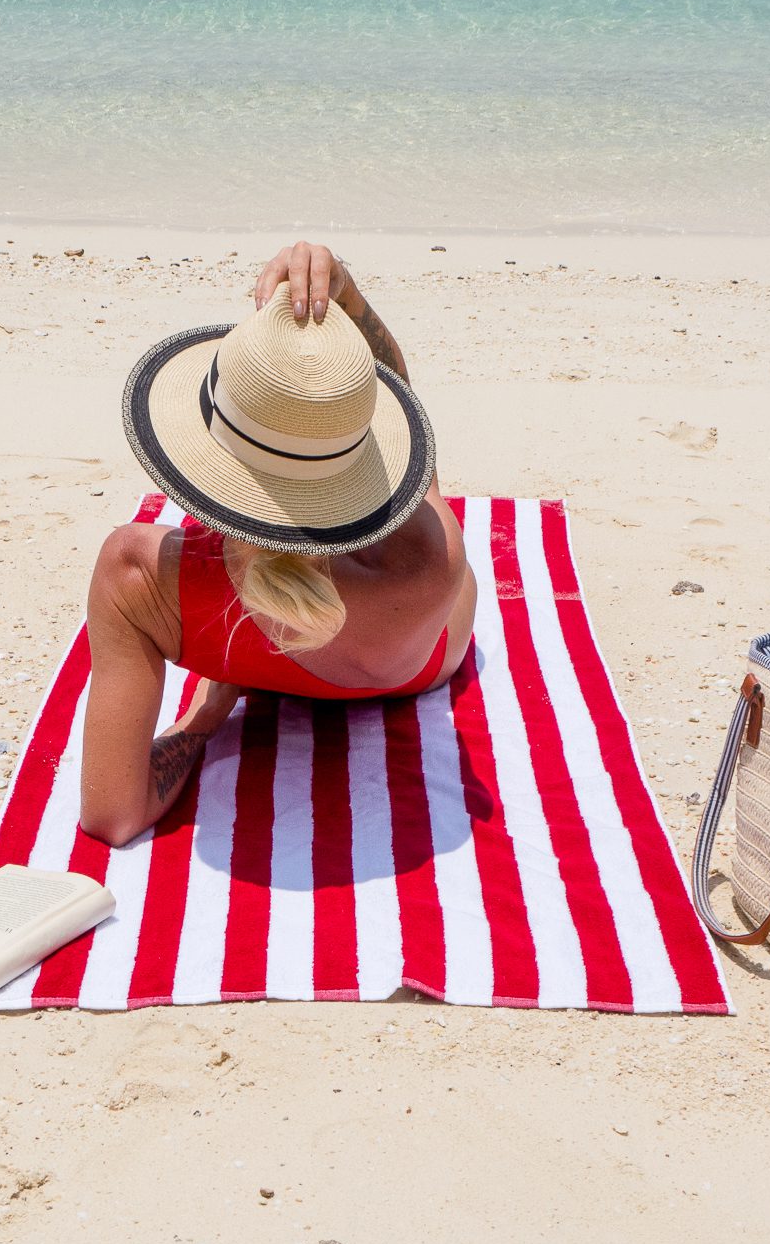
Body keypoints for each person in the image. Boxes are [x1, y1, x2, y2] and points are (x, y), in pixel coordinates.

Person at [78, 241, 477, 847]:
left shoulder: (136, 576)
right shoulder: (427, 558)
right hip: (409, 670)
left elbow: (112, 815)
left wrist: (203, 720)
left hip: (232, 653)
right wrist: (349, 296)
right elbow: (401, 392)